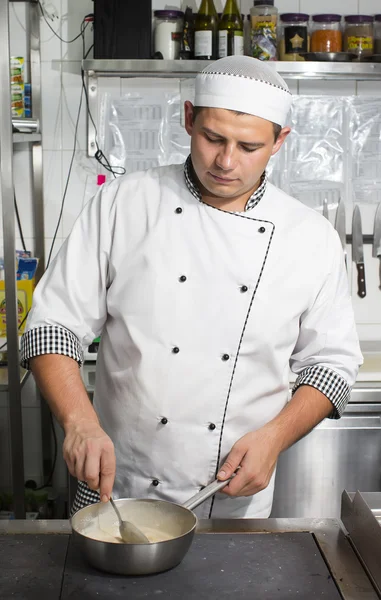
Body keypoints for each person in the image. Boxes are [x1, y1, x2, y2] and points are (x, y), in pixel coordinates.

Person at [21, 56, 362, 519]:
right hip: (116, 486)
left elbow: (331, 365)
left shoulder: (309, 237)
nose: (226, 161)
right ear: (188, 118)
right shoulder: (124, 203)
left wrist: (275, 437)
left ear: (280, 142)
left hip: (231, 503)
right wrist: (79, 423)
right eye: (212, 138)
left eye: (248, 147)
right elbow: (52, 326)